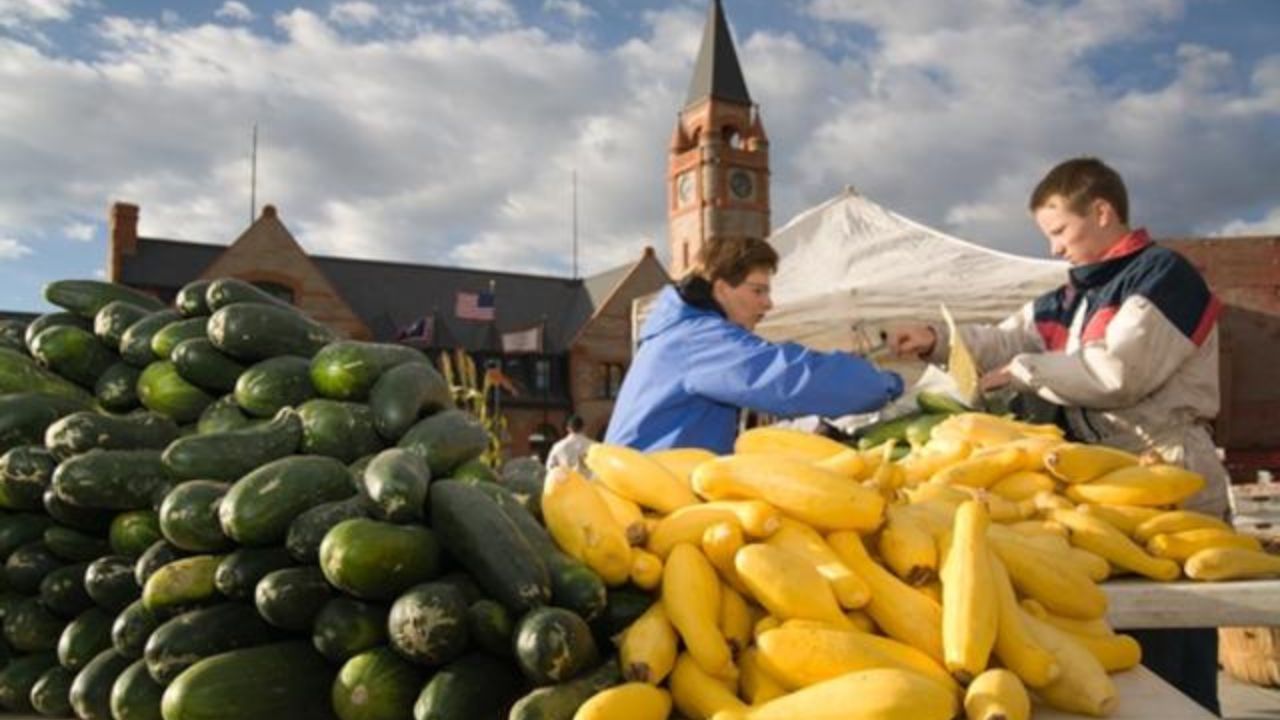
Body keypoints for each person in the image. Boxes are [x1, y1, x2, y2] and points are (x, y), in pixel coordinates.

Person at [889, 156, 1227, 714]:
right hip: (1097, 479)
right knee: (1118, 639)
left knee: (1175, 635)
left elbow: (1120, 372)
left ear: (1102, 212)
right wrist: (933, 340)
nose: (1054, 249)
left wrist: (1025, 371)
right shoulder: (1070, 295)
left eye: (1060, 232)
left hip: (1168, 471)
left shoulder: (1165, 277)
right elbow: (1004, 339)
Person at [605, 236, 904, 454]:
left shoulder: (682, 333)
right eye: (758, 291)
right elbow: (789, 379)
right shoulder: (697, 339)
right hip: (643, 505)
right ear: (721, 288)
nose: (768, 303)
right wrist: (886, 384)